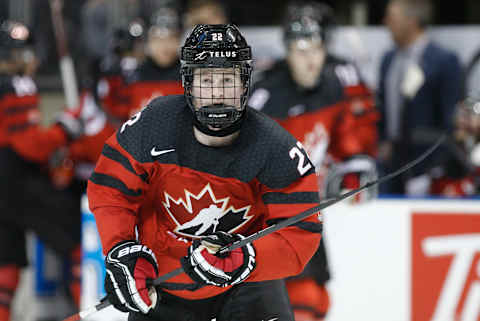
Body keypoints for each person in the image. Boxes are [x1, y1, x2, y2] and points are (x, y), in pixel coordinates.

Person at [87, 24, 322, 321]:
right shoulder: (153, 125)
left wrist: (247, 258)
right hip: (166, 280)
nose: (217, 93)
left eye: (227, 79)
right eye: (206, 79)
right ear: (187, 83)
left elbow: (300, 234)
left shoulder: (275, 148)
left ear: (245, 84)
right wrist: (120, 248)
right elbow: (110, 189)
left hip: (246, 283)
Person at [248, 4, 378, 319]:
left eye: (316, 49)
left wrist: (353, 172)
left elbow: (346, 144)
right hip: (265, 217)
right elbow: (242, 159)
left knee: (317, 299)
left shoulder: (333, 87)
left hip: (306, 212)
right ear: (288, 52)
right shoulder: (266, 96)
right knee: (298, 299)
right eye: (301, 49)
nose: (310, 59)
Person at [377, 0, 464, 195]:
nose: (386, 23)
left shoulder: (444, 61)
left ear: (411, 21)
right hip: (390, 165)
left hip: (425, 165)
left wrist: (436, 168)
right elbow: (382, 107)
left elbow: (450, 119)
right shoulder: (388, 59)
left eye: (392, 18)